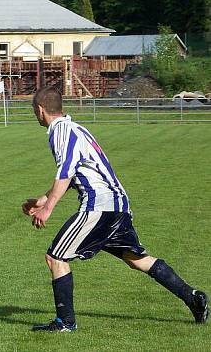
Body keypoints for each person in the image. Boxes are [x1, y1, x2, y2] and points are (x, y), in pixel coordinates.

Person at [23, 86, 208, 332]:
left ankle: (65, 323)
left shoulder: (60, 131)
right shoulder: (76, 129)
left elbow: (66, 171)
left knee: (55, 257)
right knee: (137, 260)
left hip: (99, 206)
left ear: (40, 110)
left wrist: (48, 209)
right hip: (118, 205)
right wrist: (42, 200)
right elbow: (76, 173)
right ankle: (193, 297)